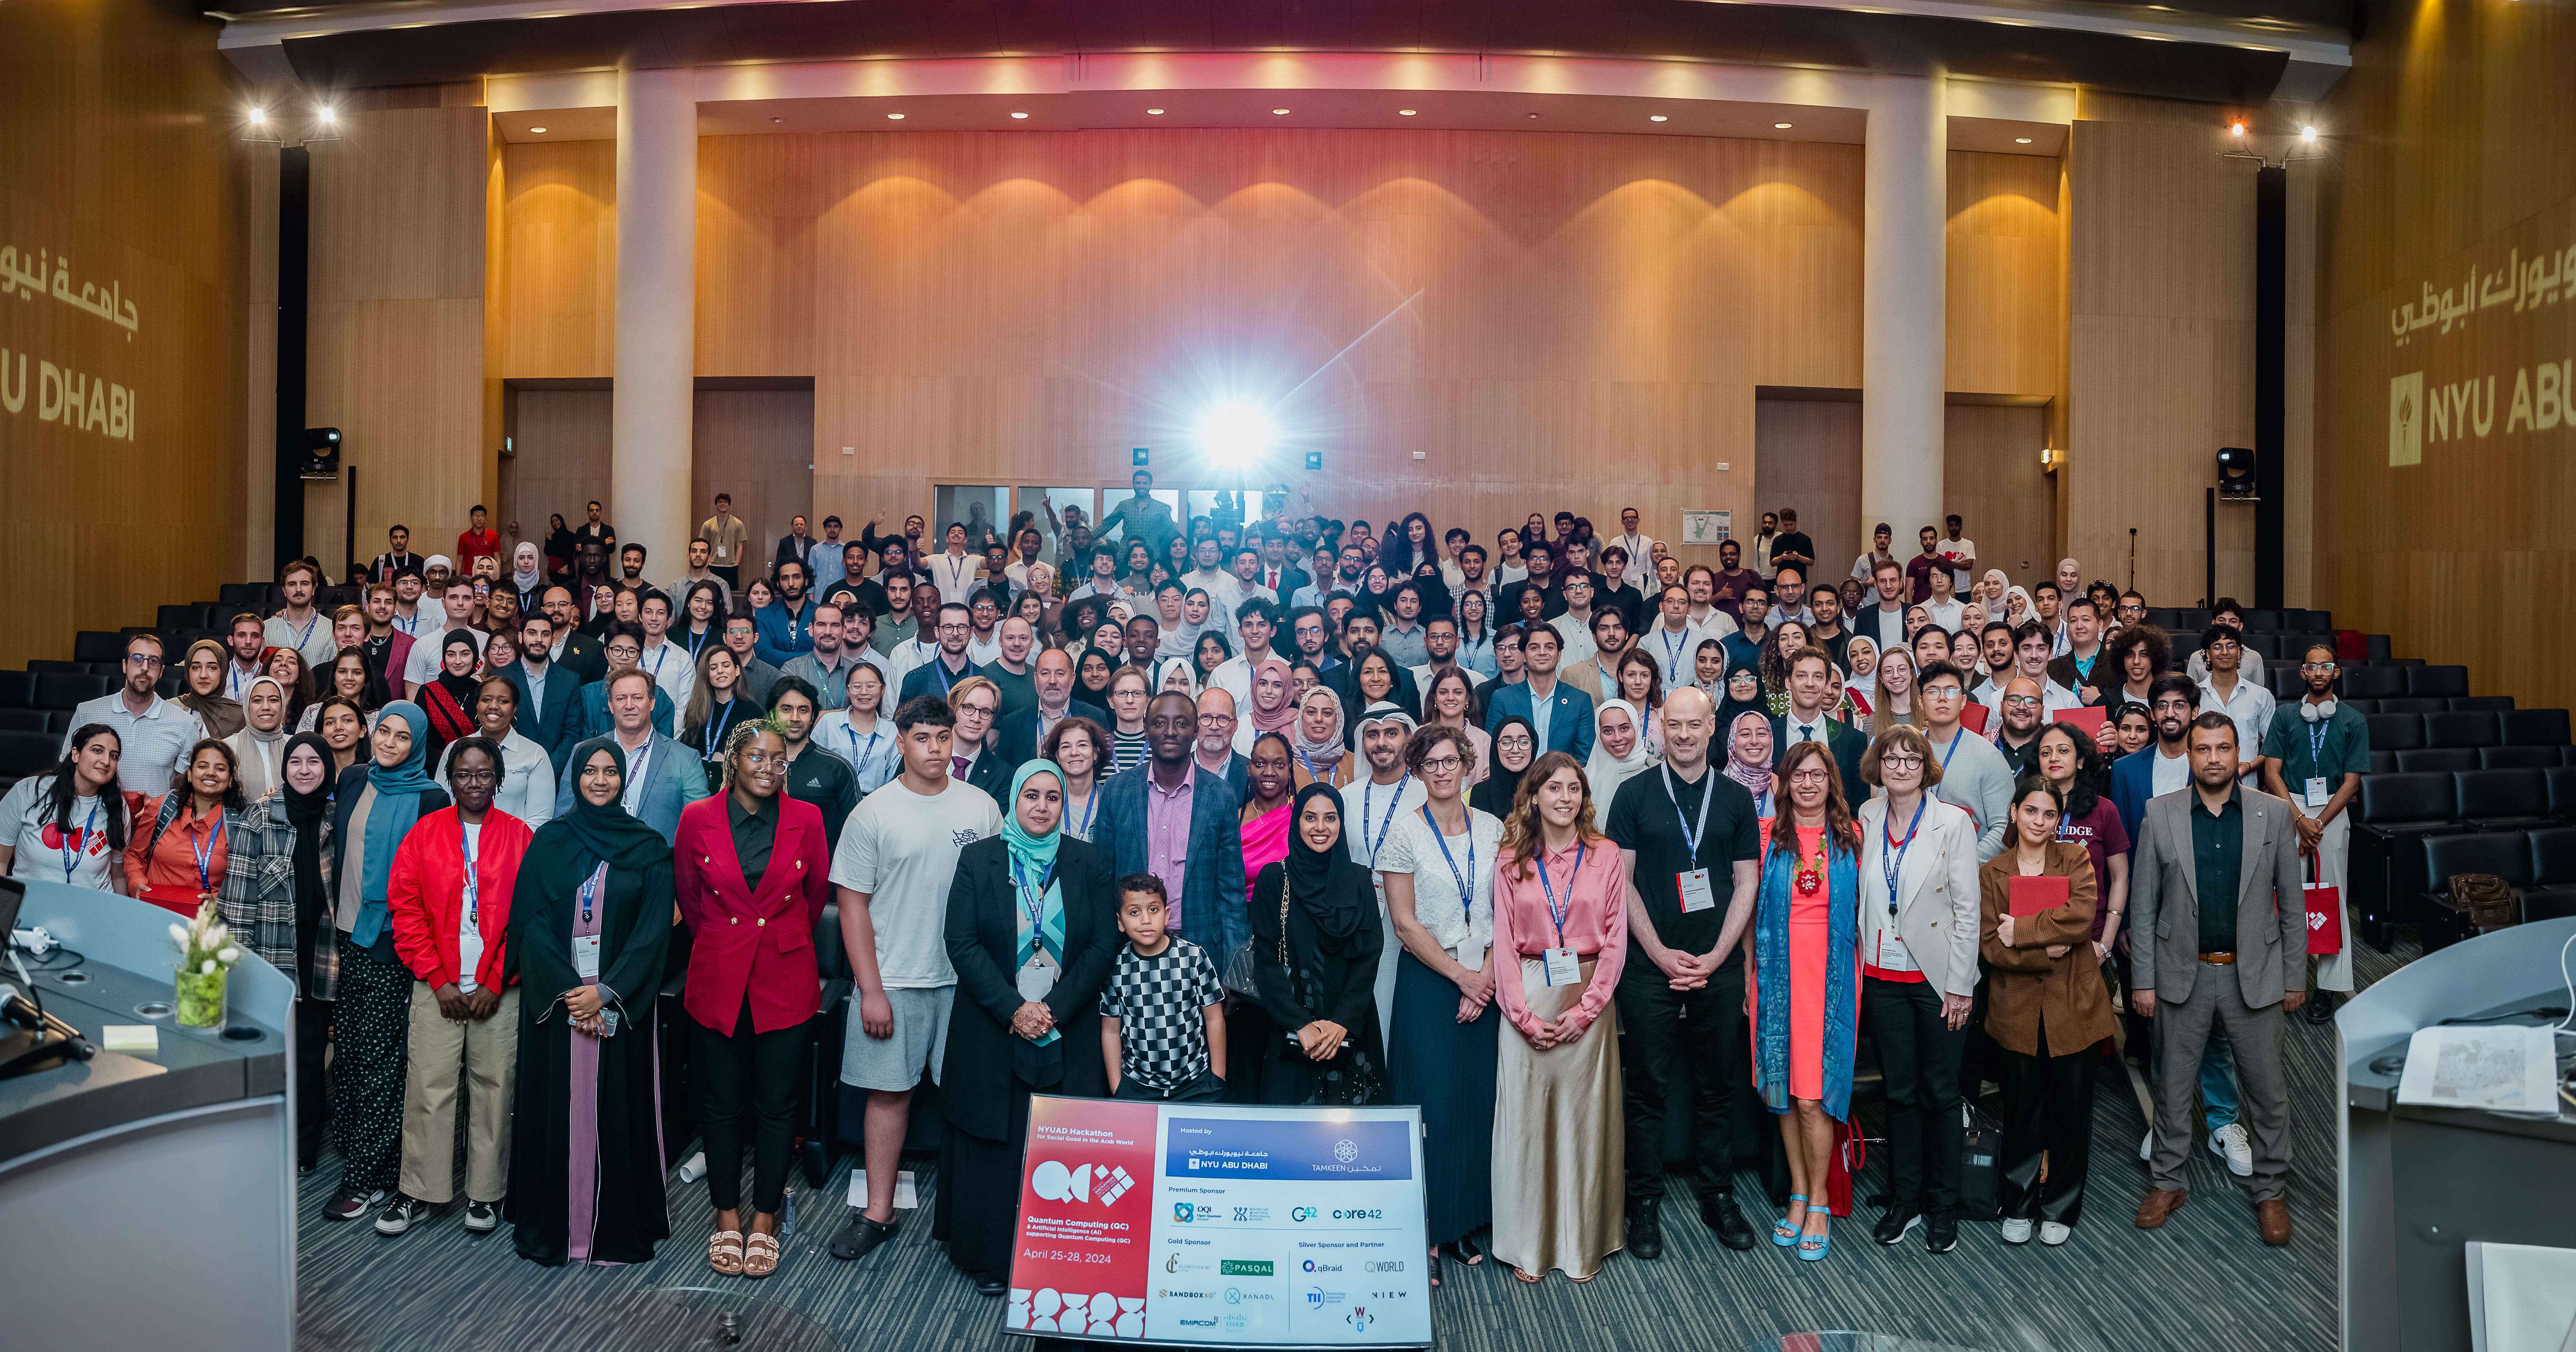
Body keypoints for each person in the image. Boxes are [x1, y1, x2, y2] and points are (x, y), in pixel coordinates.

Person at [926, 759, 1120, 1293]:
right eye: (1030, 795)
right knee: (995, 1136)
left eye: (1052, 798)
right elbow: (960, 942)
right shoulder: (979, 859)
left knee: (1060, 1140)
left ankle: (1057, 1254)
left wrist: (1053, 1008)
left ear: (1064, 804)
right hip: (994, 1025)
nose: (1041, 806)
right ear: (1013, 800)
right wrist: (1013, 1007)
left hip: (1068, 1023)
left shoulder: (1088, 860)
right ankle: (990, 1256)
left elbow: (1105, 943)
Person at [828, 696, 1004, 1263]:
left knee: (969, 1097)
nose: (934, 748)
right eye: (922, 737)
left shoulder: (980, 808)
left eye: (942, 737)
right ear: (900, 742)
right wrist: (869, 988)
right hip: (895, 979)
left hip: (967, 981)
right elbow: (851, 906)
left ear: (956, 740)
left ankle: (968, 1212)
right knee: (888, 1095)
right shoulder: (872, 812)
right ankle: (878, 1212)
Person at [1597, 686, 1763, 1259]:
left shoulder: (1738, 798)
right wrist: (1662, 953)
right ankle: (1643, 1202)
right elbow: (1620, 885)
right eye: (1676, 726)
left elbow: (1747, 881)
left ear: (1711, 725)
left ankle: (1718, 1194)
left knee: (1717, 1089)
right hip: (1649, 968)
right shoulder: (1632, 794)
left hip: (1716, 968)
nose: (1686, 735)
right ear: (1661, 727)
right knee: (1646, 1090)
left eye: (1696, 725)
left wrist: (1718, 957)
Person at [2128, 713, 2306, 1247]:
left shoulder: (2273, 814)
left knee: (2268, 1092)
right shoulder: (2158, 815)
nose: (2211, 757)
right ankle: (2167, 1181)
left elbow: (2293, 909)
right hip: (2181, 972)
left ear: (2238, 753)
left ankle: (2270, 1188)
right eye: (2202, 748)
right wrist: (2142, 980)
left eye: (2222, 748)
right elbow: (2142, 908)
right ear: (2189, 755)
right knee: (2173, 1088)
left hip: (2253, 975)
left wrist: (2293, 977)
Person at [670, 719, 833, 1277]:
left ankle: (763, 1216)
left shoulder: (807, 818)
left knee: (777, 1105)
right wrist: (728, 940)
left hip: (785, 977)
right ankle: (725, 1218)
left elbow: (814, 901)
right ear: (732, 760)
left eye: (778, 759)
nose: (768, 767)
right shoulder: (697, 819)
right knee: (718, 1105)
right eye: (757, 757)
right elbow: (691, 903)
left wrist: (773, 940)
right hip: (718, 976)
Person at [503, 738, 674, 1266]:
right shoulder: (550, 841)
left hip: (617, 1005)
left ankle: (614, 1228)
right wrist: (570, 991)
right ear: (574, 777)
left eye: (610, 772)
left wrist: (604, 993)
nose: (600, 780)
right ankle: (555, 1226)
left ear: (624, 780)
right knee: (555, 1108)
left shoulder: (648, 847)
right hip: (561, 1004)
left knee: (617, 1108)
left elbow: (652, 935)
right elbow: (529, 923)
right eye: (590, 771)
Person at [376, 736, 532, 1238]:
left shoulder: (520, 836)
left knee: (494, 1089)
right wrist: (439, 980)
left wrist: (494, 979)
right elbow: (406, 908)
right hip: (436, 986)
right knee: (429, 1088)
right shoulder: (426, 833)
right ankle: (419, 1191)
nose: (473, 783)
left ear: (498, 779)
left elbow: (531, 919)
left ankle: (485, 1194)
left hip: (499, 990)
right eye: (463, 774)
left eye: (484, 774)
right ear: (450, 779)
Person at [1484, 751, 1626, 1282]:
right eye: (1554, 788)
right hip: (1527, 996)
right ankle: (1531, 1246)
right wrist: (1520, 1014)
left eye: (1573, 789)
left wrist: (1587, 1011)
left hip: (1589, 998)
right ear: (1534, 796)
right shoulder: (1508, 858)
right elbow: (1501, 941)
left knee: (1584, 1126)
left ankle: (1581, 1243)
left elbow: (1615, 940)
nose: (1564, 797)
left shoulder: (1605, 854)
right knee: (1528, 1127)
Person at [320, 704, 453, 1223]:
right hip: (346, 937)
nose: (390, 743)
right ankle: (364, 1153)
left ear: (417, 744)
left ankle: (367, 1179)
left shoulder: (430, 797)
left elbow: (430, 878)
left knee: (380, 1062)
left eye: (403, 736)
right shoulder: (353, 778)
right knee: (349, 1052)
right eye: (385, 732)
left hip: (394, 944)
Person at [1851, 725, 1982, 1252]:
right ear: (1876, 766)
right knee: (1899, 1093)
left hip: (1935, 980)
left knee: (1940, 1094)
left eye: (1911, 759)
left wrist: (1958, 986)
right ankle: (1904, 1197)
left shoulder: (1952, 822)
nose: (1900, 767)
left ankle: (1942, 1204)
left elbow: (1968, 911)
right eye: (1891, 758)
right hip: (1881, 978)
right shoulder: (1867, 816)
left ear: (1926, 767)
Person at [1982, 776, 2116, 1247]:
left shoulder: (2073, 858)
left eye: (2048, 814)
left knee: (2070, 1112)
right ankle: (2018, 1204)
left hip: (2073, 1006)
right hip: (2016, 1010)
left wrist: (2019, 930)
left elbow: (2081, 914)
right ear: (2014, 813)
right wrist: (2041, 948)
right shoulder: (1992, 871)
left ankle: (2060, 1205)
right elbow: (1989, 947)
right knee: (2021, 1112)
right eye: (2030, 811)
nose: (2039, 821)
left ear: (2057, 820)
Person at [1749, 739, 1862, 1262]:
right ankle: (1797, 1191)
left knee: (1813, 1095)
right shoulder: (1765, 836)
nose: (1809, 784)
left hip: (1831, 976)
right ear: (1784, 782)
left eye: (1818, 775)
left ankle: (1819, 1200)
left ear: (1830, 781)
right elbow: (1750, 916)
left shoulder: (1850, 835)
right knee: (1784, 1091)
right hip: (1777, 975)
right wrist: (1751, 976)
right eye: (1799, 775)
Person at [1246, 783, 1387, 1109]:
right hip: (1294, 1034)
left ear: (1341, 824)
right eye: (1310, 817)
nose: (1320, 828)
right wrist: (1300, 1024)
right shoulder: (1274, 879)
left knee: (1356, 1146)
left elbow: (1369, 957)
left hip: (1352, 1031)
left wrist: (1342, 1022)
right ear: (1297, 822)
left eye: (1330, 818)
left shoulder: (1360, 880)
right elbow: (1266, 961)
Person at [2257, 644, 2369, 1021]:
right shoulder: (2287, 715)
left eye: (2326, 666)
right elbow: (2272, 771)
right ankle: (2281, 981)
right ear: (2303, 673)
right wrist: (2298, 818)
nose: (2319, 672)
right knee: (2284, 896)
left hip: (2332, 811)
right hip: (2290, 807)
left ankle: (2329, 987)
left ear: (2336, 673)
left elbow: (2352, 782)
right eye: (2312, 667)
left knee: (2333, 897)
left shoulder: (2353, 720)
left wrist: (2317, 824)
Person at [558, 668, 709, 841]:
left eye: (637, 698)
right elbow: (564, 818)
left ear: (652, 703)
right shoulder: (583, 752)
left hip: (658, 862)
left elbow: (700, 826)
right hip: (597, 860)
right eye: (621, 699)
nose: (629, 706)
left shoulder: (685, 758)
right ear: (611, 706)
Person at [70, 633, 207, 793]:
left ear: (161, 671)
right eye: (137, 659)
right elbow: (68, 769)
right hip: (95, 815)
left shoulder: (186, 724)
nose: (145, 668)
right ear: (124, 665)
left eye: (153, 662)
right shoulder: (87, 712)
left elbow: (182, 787)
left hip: (153, 817)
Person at [1, 725, 129, 892]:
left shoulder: (117, 806)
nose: (106, 761)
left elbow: (118, 875)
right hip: (32, 906)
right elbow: (1, 861)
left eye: (114, 756)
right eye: (97, 751)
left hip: (94, 910)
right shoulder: (28, 792)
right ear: (76, 755)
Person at [1917, 662, 2011, 860]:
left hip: (1967, 873)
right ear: (1920, 701)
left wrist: (1964, 866)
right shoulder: (1907, 753)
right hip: (1912, 864)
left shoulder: (1988, 755)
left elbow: (2005, 827)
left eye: (1951, 692)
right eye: (1933, 692)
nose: (1942, 698)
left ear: (1963, 701)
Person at [767, 677, 860, 852]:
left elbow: (856, 832)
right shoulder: (757, 767)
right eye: (786, 710)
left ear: (813, 717)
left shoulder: (837, 768)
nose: (795, 718)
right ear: (773, 715)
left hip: (820, 872)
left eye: (803, 710)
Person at [815, 662, 901, 794]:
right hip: (832, 800)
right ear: (848, 691)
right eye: (857, 687)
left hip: (875, 804)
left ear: (883, 689)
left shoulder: (893, 732)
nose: (864, 692)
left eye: (871, 686)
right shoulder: (829, 723)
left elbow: (895, 778)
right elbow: (814, 766)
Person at [225, 676, 293, 799]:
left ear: (283, 705)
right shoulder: (229, 747)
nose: (266, 707)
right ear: (247, 706)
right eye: (257, 701)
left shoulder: (294, 746)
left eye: (273, 700)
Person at [698, 492, 749, 588]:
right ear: (716, 505)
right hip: (712, 566)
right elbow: (702, 545)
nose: (723, 504)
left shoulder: (738, 524)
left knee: (732, 595)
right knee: (712, 594)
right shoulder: (708, 524)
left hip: (731, 567)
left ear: (729, 505)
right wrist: (706, 563)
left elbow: (740, 546)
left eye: (725, 502)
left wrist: (736, 565)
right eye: (720, 502)